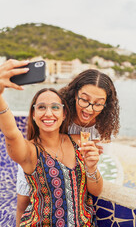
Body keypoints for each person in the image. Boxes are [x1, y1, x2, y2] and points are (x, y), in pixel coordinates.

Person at [0, 59, 103, 226]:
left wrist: (91, 167)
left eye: (55, 107)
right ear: (34, 116)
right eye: (41, 107)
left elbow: (96, 190)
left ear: (64, 114)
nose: (48, 113)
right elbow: (11, 133)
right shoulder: (29, 152)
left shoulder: (81, 142)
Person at [16, 67, 120, 226]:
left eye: (98, 104)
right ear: (75, 93)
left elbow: (98, 171)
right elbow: (39, 140)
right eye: (84, 100)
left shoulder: (102, 127)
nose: (89, 109)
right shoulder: (60, 112)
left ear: (106, 105)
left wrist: (95, 161)